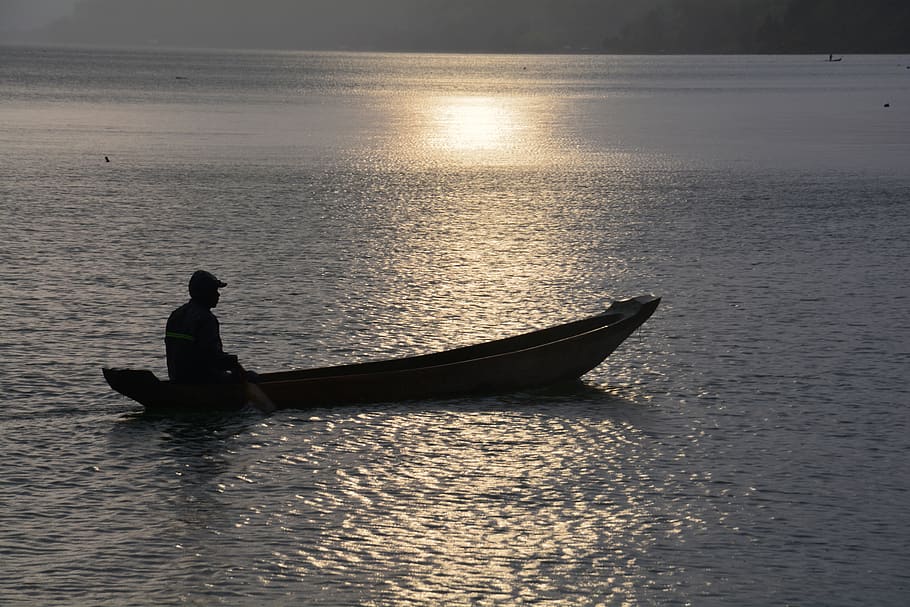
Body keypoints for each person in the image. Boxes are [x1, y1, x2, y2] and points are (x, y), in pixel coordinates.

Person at [165, 270, 248, 384]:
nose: (218, 294)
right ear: (205, 292)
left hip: (177, 378)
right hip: (201, 381)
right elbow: (212, 357)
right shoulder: (206, 319)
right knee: (251, 379)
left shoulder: (176, 315)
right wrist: (238, 368)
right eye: (214, 290)